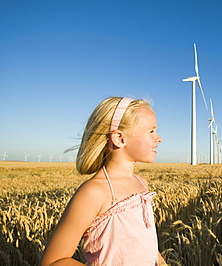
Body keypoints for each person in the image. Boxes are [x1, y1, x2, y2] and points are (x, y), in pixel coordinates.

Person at [40, 96, 165, 266]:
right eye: (151, 131)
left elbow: (144, 242)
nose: (159, 138)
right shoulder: (94, 192)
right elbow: (53, 261)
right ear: (120, 139)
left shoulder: (142, 183)